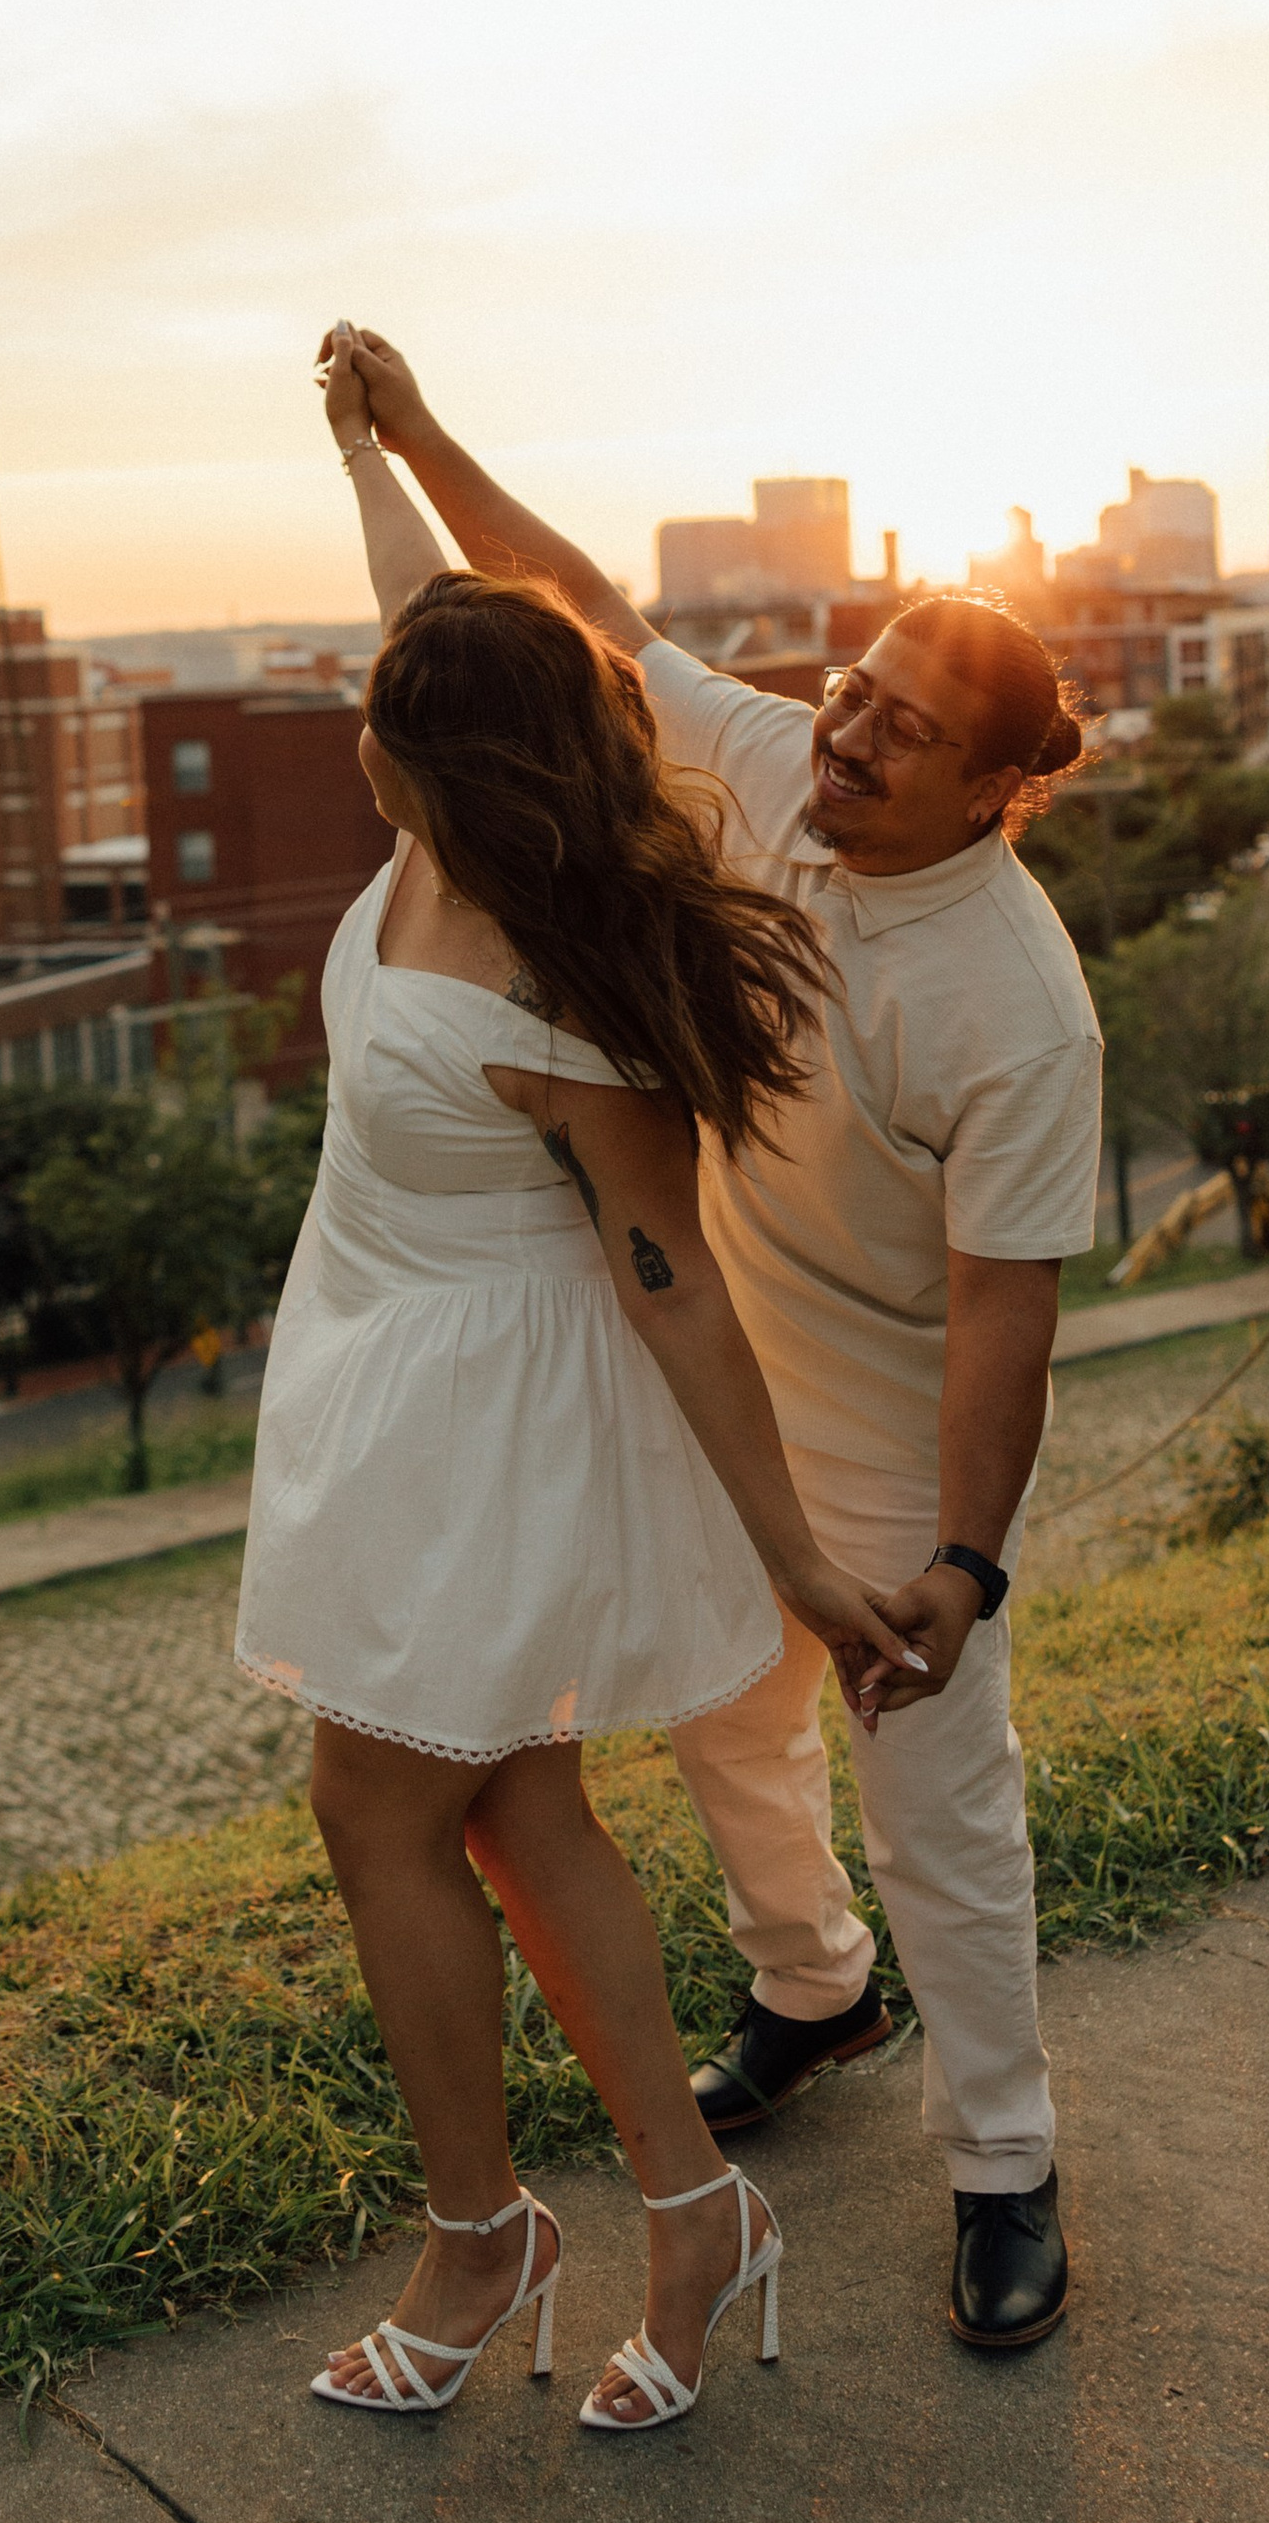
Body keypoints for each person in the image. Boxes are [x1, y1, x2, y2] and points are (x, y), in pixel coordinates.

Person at [324, 330, 1103, 2354]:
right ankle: (807, 1989)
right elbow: (586, 610)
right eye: (852, 692)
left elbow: (1007, 1305)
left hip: (886, 1409)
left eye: (902, 734)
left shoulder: (1016, 1007)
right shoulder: (769, 760)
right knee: (713, 1710)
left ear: (1000, 788)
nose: (842, 741)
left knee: (935, 1780)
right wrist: (417, 436)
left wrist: (955, 1563)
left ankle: (1003, 2163)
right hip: (692, 1353)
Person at [237, 329, 919, 2435]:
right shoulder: (453, 796)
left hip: (489, 1424)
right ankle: (687, 2209)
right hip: (380, 1369)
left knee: (375, 1803)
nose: (362, 741)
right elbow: (417, 612)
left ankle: (479, 2229)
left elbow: (674, 1286)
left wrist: (796, 1558)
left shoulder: (552, 982)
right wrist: (373, 445)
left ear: (435, 762)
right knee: (514, 1809)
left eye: (378, 727)